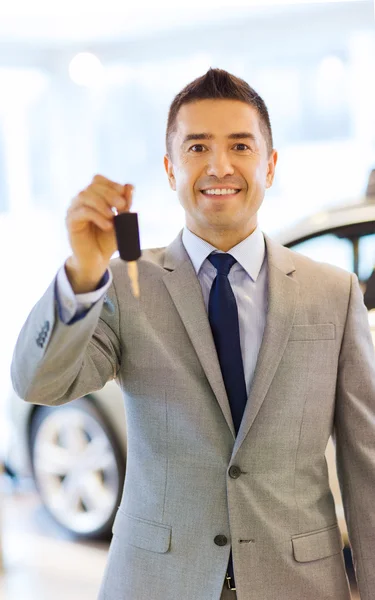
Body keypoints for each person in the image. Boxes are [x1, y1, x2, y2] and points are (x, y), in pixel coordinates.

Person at [11, 68, 375, 600]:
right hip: (158, 583)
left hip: (298, 584)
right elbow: (38, 384)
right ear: (170, 168)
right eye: (198, 146)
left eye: (240, 146)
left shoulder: (334, 294)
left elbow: (366, 465)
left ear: (270, 166)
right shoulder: (123, 285)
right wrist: (82, 272)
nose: (219, 165)